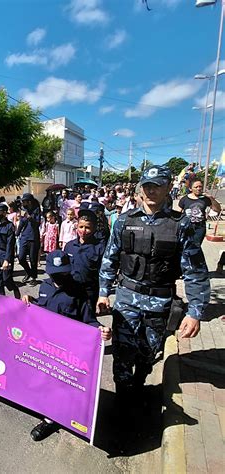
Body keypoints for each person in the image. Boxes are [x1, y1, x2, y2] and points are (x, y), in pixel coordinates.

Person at [97, 165, 210, 406]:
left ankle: (138, 386)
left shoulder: (181, 225)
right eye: (146, 186)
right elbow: (110, 258)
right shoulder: (124, 221)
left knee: (148, 353)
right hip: (127, 298)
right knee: (122, 354)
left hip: (159, 303)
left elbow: (195, 270)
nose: (150, 191)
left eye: (156, 186)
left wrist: (195, 312)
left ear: (168, 188)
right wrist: (104, 292)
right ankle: (123, 401)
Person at [22, 250, 111, 441]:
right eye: (56, 273)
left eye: (63, 273)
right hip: (45, 344)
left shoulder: (78, 291)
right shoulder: (45, 286)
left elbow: (89, 320)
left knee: (60, 384)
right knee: (44, 379)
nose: (60, 277)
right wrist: (31, 302)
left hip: (66, 349)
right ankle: (46, 407)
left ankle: (50, 420)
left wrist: (101, 330)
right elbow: (43, 308)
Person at [65, 209, 106, 312]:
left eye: (87, 228)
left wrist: (103, 295)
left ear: (94, 228)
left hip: (90, 292)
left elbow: (103, 272)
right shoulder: (69, 246)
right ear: (77, 226)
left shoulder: (99, 247)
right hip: (71, 290)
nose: (83, 231)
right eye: (81, 227)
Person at [0, 204, 21, 299]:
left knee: (7, 279)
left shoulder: (9, 226)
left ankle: (14, 288)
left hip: (5, 254)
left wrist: (7, 260)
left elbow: (10, 244)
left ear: (4, 213)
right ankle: (1, 300)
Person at [178, 179, 222, 244]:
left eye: (200, 186)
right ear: (190, 189)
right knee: (184, 244)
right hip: (186, 226)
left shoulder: (205, 199)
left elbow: (217, 209)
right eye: (196, 187)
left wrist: (211, 198)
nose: (198, 188)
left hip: (200, 227)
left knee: (196, 246)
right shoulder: (184, 199)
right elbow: (178, 213)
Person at [16, 193, 41, 284]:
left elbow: (37, 223)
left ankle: (33, 278)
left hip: (33, 237)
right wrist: (17, 232)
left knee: (33, 259)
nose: (22, 203)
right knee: (21, 257)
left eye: (24, 201)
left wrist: (30, 217)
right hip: (24, 236)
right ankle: (29, 272)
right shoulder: (23, 210)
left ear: (29, 202)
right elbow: (22, 222)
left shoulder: (36, 210)